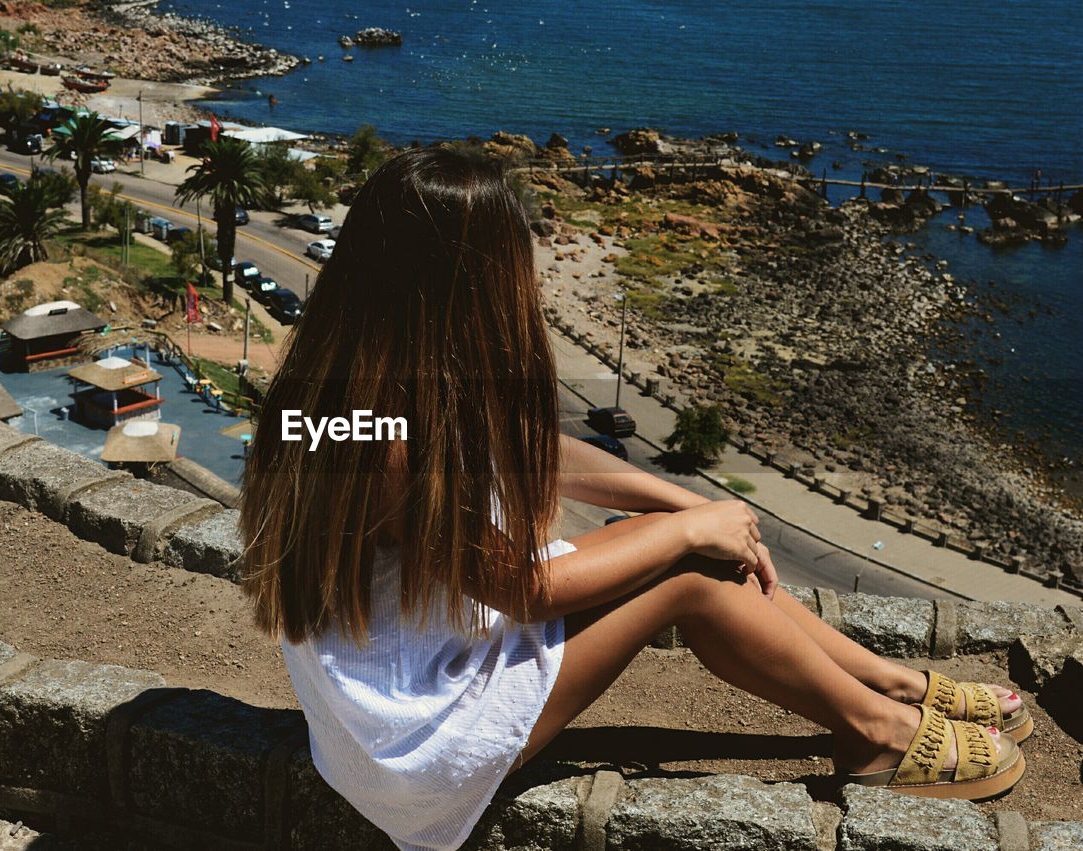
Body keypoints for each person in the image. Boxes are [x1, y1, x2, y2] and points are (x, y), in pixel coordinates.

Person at [240, 148, 1027, 851]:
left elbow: (543, 459)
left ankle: (891, 684)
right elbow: (523, 588)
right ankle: (877, 731)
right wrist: (690, 533)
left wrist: (681, 503)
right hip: (413, 739)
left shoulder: (356, 385)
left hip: (393, 682)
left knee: (682, 537)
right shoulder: (385, 436)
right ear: (460, 282)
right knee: (688, 573)